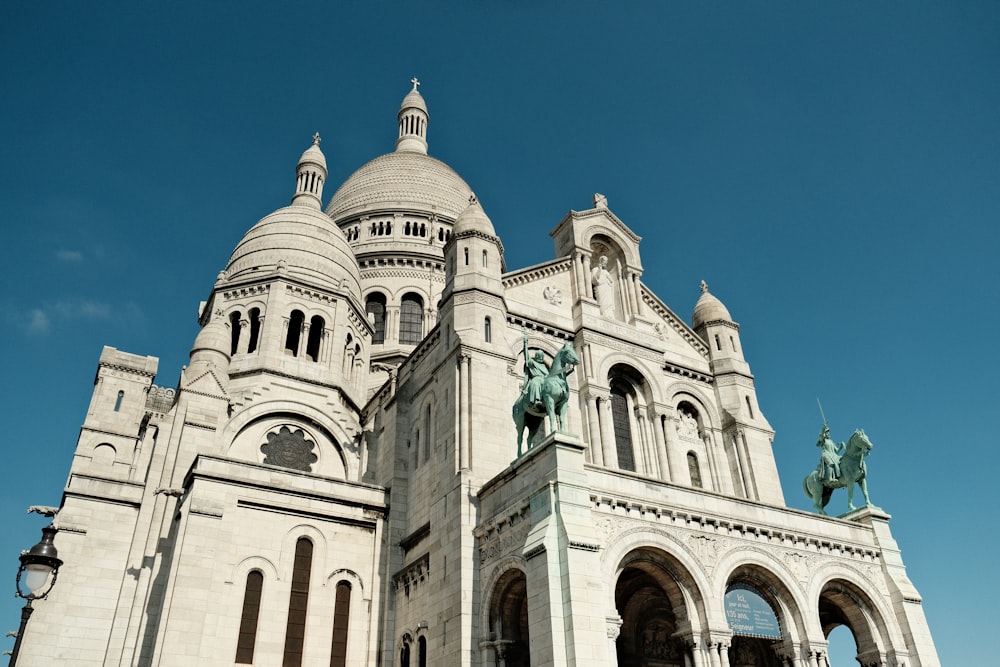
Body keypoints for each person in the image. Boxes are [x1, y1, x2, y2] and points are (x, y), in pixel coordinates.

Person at [520, 335, 549, 410]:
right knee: (536, 383)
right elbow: (526, 356)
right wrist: (525, 344)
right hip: (536, 379)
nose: (541, 358)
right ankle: (537, 400)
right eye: (539, 356)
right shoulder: (532, 362)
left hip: (545, 379)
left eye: (542, 356)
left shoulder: (544, 366)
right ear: (536, 356)